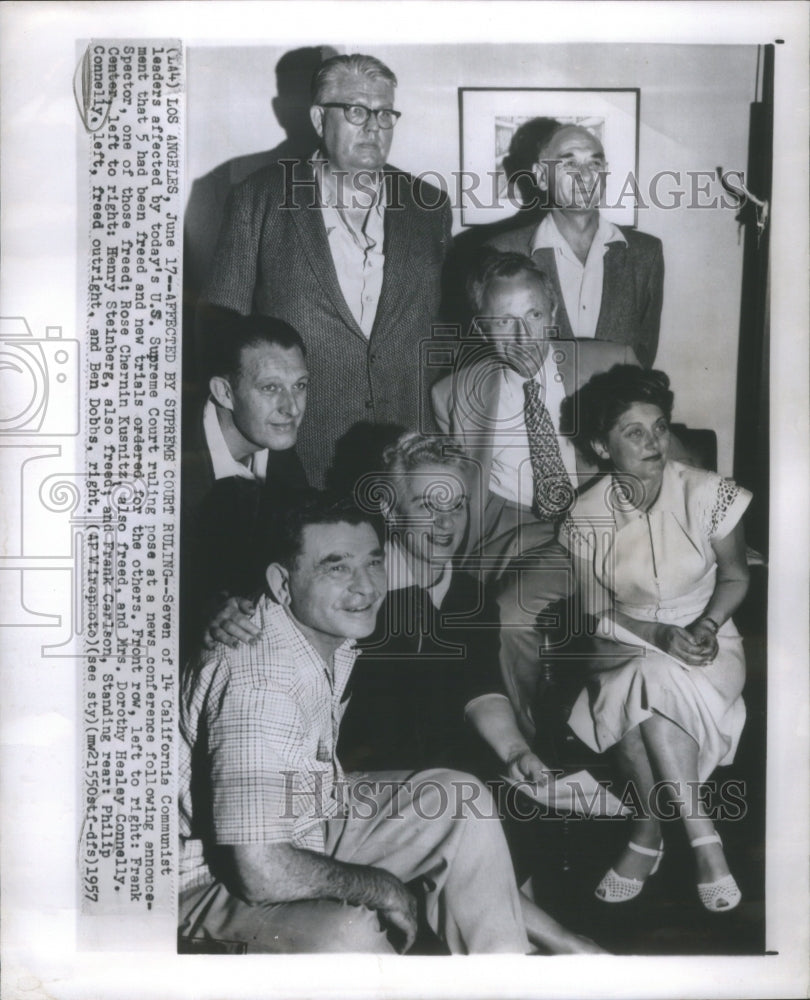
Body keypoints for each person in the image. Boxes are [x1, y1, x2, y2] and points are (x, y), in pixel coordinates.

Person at [179, 495, 579, 954]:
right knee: (350, 930)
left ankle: (503, 976)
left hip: (306, 814)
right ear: (281, 584)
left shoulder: (326, 632)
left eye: (373, 563)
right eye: (337, 567)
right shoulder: (261, 680)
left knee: (459, 799)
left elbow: (471, 685)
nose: (366, 587)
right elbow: (259, 869)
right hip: (202, 877)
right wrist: (382, 887)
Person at [202, 53, 453, 488]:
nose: (374, 126)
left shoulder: (428, 206)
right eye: (356, 111)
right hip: (301, 457)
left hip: (407, 460)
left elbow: (445, 333)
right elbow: (225, 332)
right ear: (319, 118)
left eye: (385, 113)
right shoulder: (259, 199)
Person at [559, 365, 750, 911]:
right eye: (634, 432)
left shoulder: (710, 493)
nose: (654, 443)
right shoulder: (584, 516)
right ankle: (703, 841)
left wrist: (705, 626)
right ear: (601, 445)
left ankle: (648, 833)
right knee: (645, 673)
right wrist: (654, 634)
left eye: (659, 427)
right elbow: (596, 609)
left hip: (710, 642)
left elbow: (737, 576)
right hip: (626, 637)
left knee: (647, 682)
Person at [431, 250, 639, 738]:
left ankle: (552, 744)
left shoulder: (610, 363)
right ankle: (525, 748)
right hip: (509, 528)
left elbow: (654, 461)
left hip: (600, 523)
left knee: (518, 614)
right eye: (504, 323)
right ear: (481, 330)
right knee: (485, 615)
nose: (524, 337)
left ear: (553, 314)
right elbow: (457, 497)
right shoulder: (451, 396)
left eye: (534, 316)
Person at [181, 308, 310, 649]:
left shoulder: (282, 454)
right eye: (270, 388)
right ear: (224, 393)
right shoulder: (165, 464)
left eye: (299, 386)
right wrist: (198, 611)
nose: (292, 408)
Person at [487, 119, 664, 367]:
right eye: (569, 163)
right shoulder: (501, 251)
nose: (585, 176)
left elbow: (643, 354)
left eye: (595, 163)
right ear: (540, 176)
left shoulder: (646, 254)